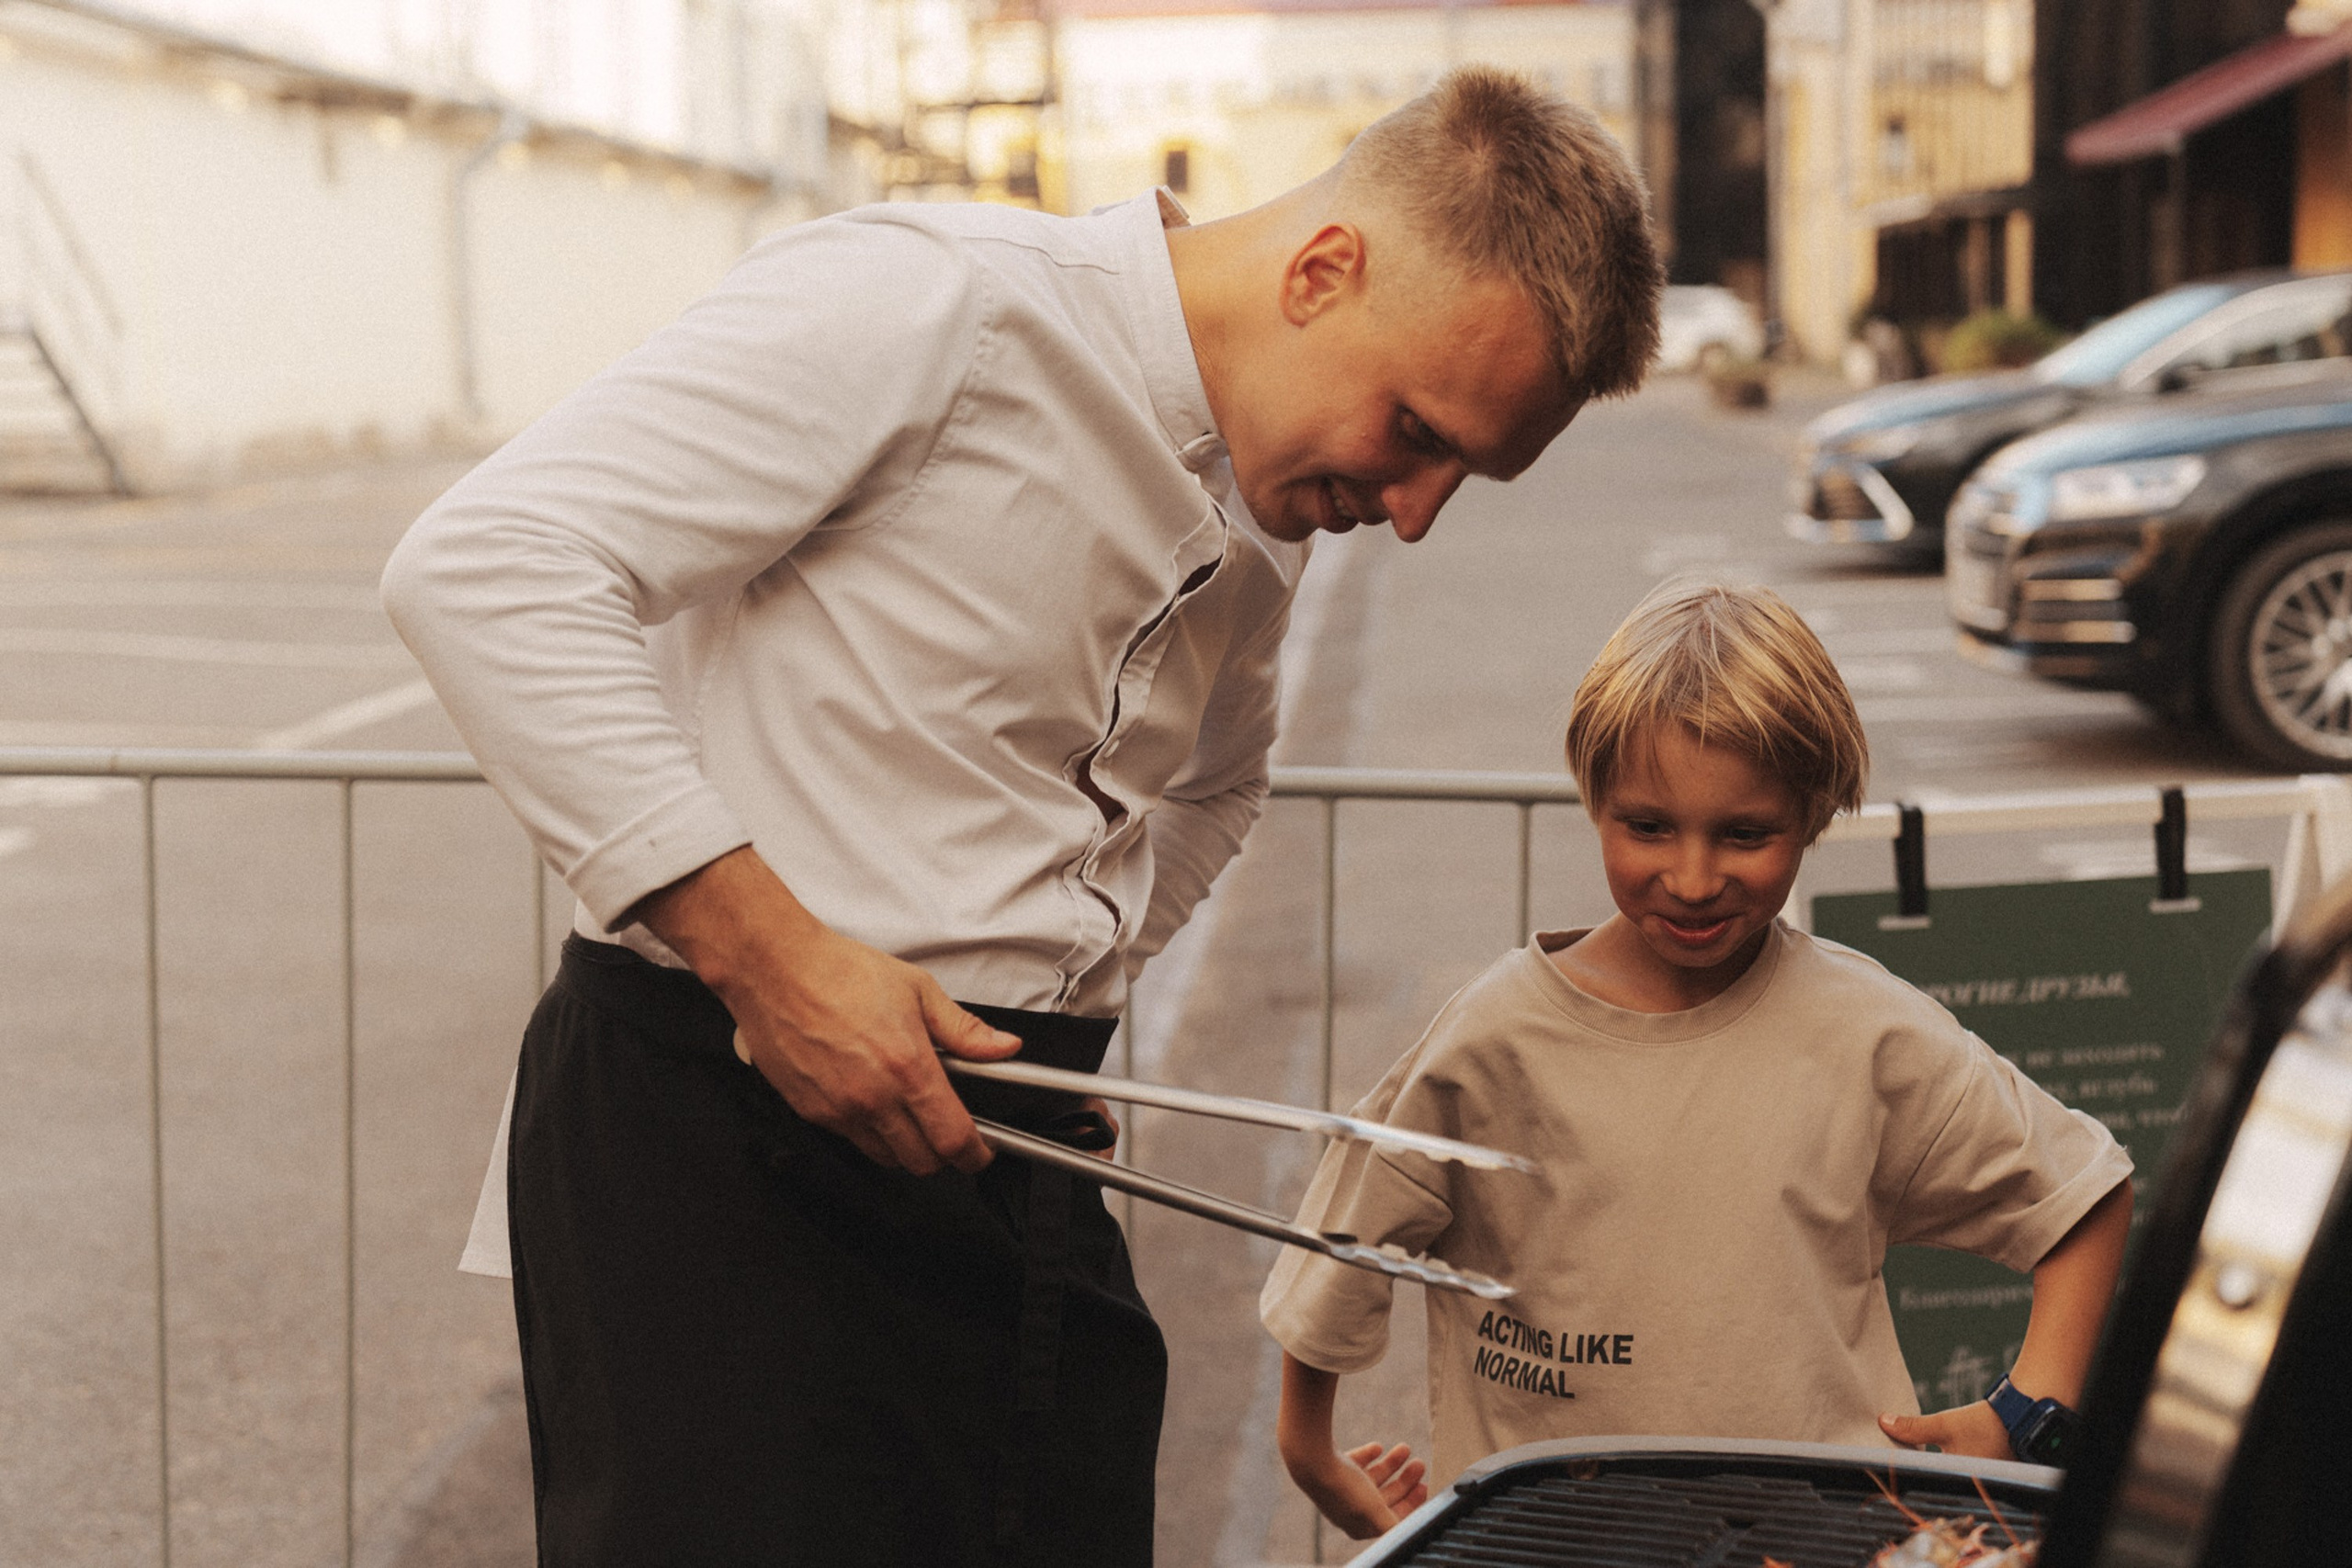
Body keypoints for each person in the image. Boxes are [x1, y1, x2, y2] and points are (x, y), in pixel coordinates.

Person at [380, 66, 1663, 1568]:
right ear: (1326, 270)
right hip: (719, 1135)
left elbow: (1214, 783)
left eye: (1469, 473)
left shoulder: (1274, 494)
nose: (1418, 508)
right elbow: (490, 563)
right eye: (1416, 430)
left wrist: (1069, 987)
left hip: (1009, 1146)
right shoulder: (938, 302)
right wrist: (776, 960)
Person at [1259, 581, 2135, 1540]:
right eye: (1647, 826)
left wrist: (2029, 1415)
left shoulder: (1867, 1031)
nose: (1690, 878)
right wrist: (1310, 1453)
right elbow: (1342, 1235)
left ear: (1812, 814)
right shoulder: (1493, 1040)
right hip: (1549, 1551)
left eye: (1744, 834)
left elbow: (2083, 1196)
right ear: (1594, 800)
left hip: (1820, 1548)